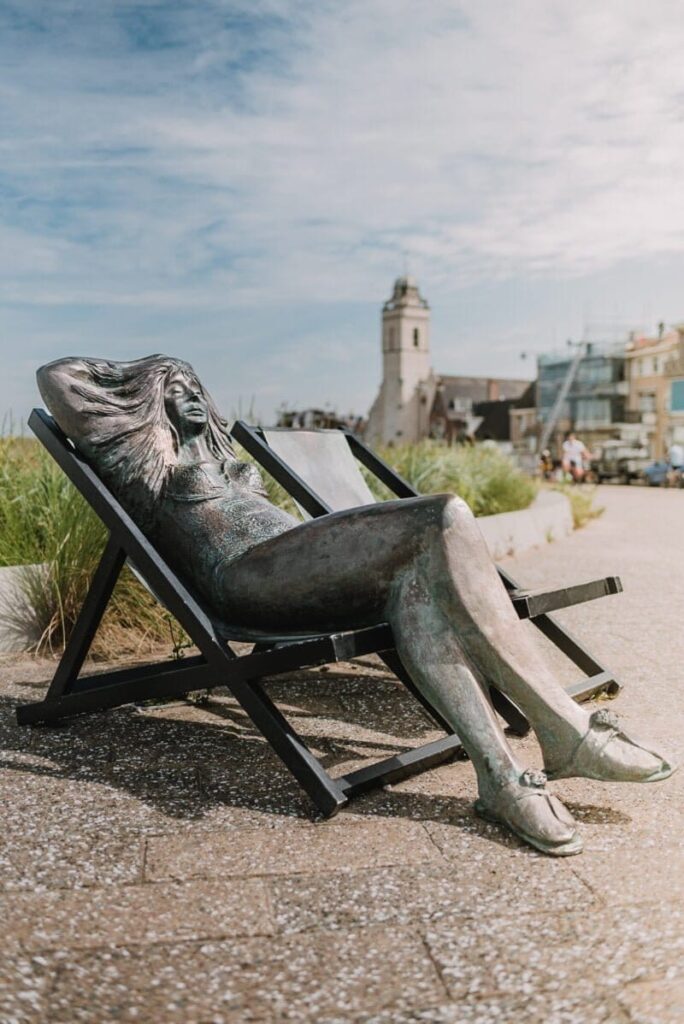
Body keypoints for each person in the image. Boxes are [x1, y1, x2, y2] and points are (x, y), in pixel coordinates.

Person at [36, 356, 675, 857]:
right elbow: (57, 380)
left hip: (288, 564)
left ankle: (501, 779)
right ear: (151, 405)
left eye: (197, 384)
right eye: (176, 391)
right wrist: (146, 373)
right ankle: (568, 731)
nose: (193, 395)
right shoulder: (152, 466)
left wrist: (185, 392)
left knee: (416, 589)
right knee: (443, 514)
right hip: (244, 579)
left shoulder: (226, 462)